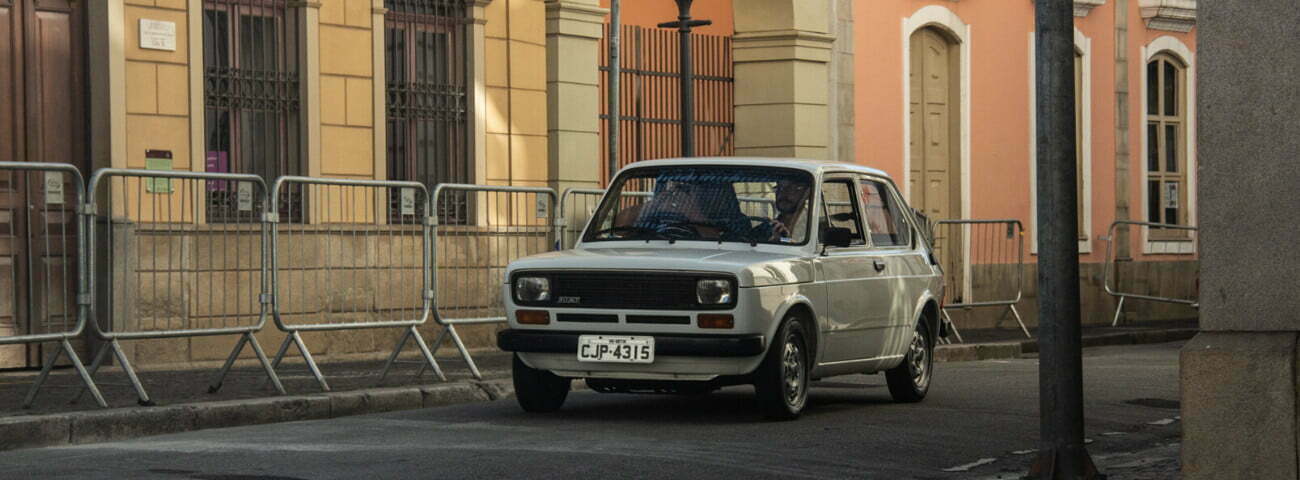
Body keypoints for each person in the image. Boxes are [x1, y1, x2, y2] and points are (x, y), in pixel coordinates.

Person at [768, 178, 810, 242]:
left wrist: (785, 240)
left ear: (806, 193)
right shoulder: (766, 227)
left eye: (792, 189)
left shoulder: (815, 228)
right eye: (780, 188)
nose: (783, 194)